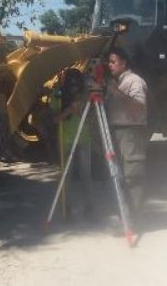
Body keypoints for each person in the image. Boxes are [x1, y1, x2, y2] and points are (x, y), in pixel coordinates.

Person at [105, 47, 149, 216]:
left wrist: (117, 93)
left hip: (132, 132)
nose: (110, 65)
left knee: (132, 176)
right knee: (119, 176)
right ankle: (125, 214)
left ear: (123, 63)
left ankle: (133, 219)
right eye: (109, 62)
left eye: (113, 62)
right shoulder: (118, 82)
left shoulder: (134, 81)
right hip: (117, 131)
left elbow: (139, 107)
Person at [52, 68, 95, 220]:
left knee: (86, 174)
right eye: (71, 86)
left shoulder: (86, 95)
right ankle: (66, 207)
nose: (74, 89)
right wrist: (69, 110)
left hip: (84, 139)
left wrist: (81, 110)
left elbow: (92, 119)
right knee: (66, 175)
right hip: (66, 139)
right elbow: (55, 119)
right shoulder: (58, 94)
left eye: (77, 86)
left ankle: (90, 206)